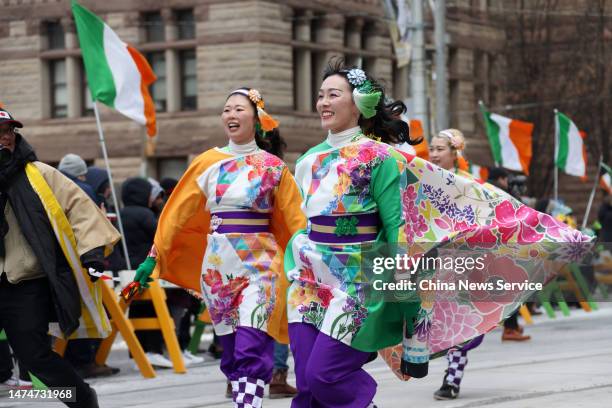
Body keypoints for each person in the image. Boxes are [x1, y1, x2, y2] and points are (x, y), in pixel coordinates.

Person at [128, 87, 305, 407]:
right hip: (218, 266)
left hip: (262, 264)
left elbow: (296, 221)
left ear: (257, 118)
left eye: (239, 109)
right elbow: (175, 215)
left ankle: (247, 404)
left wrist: (309, 261)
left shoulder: (274, 167)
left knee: (252, 342)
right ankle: (243, 396)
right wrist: (153, 257)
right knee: (233, 348)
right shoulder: (206, 163)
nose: (231, 115)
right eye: (226, 110)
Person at [284, 60, 427, 407]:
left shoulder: (383, 159)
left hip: (359, 279)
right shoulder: (308, 161)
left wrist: (407, 296)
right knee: (306, 383)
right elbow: (304, 221)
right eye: (320, 96)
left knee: (324, 375)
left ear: (360, 103)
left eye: (334, 94)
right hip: (310, 280)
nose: (323, 103)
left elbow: (397, 226)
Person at [0, 107, 120, 407]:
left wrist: (92, 254)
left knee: (34, 355)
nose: (4, 138)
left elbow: (80, 209)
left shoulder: (40, 174)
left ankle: (81, 399)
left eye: (7, 131)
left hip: (26, 280)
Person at [486, 167, 531, 342]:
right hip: (506, 247)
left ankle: (511, 326)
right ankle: (510, 328)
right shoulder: (503, 192)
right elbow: (521, 211)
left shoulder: (483, 189)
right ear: (503, 179)